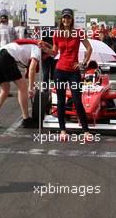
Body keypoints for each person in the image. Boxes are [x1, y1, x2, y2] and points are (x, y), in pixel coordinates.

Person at [42, 8, 92, 141]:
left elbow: (89, 48)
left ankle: (86, 131)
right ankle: (62, 130)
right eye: (64, 17)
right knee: (60, 101)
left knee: (77, 100)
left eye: (68, 17)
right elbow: (54, 53)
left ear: (72, 19)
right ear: (61, 19)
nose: (66, 20)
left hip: (74, 72)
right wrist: (45, 49)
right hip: (59, 70)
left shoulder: (79, 32)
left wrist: (83, 62)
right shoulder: (57, 34)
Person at [0, 40, 41, 129]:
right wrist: (30, 88)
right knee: (23, 87)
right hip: (5, 56)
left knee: (4, 90)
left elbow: (28, 71)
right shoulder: (38, 49)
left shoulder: (29, 47)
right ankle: (26, 119)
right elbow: (32, 69)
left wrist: (31, 85)